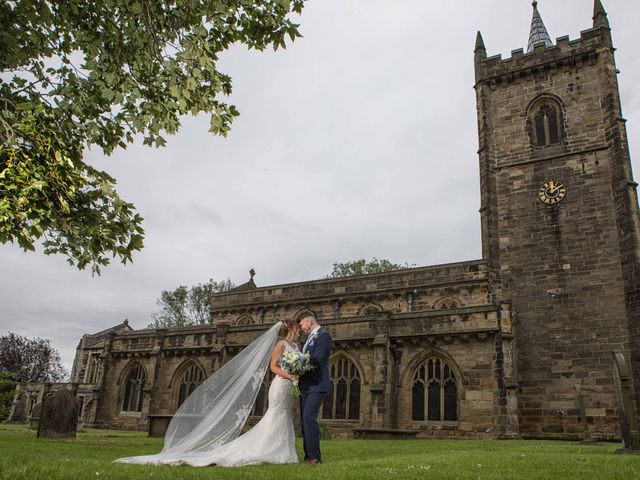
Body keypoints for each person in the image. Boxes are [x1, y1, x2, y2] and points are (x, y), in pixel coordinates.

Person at [114, 319, 301, 467]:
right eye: (297, 328)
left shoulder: (296, 347)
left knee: (283, 416)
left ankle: (282, 450)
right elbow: (273, 367)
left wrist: (298, 373)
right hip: (280, 384)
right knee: (276, 414)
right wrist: (289, 374)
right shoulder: (280, 345)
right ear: (290, 328)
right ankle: (269, 449)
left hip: (288, 385)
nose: (300, 330)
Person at [297, 310, 333, 464]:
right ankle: (308, 455)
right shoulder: (308, 339)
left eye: (302, 324)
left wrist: (297, 366)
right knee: (304, 420)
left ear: (309, 321)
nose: (301, 328)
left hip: (317, 384)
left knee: (308, 417)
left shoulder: (324, 336)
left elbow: (318, 359)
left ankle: (315, 457)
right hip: (305, 385)